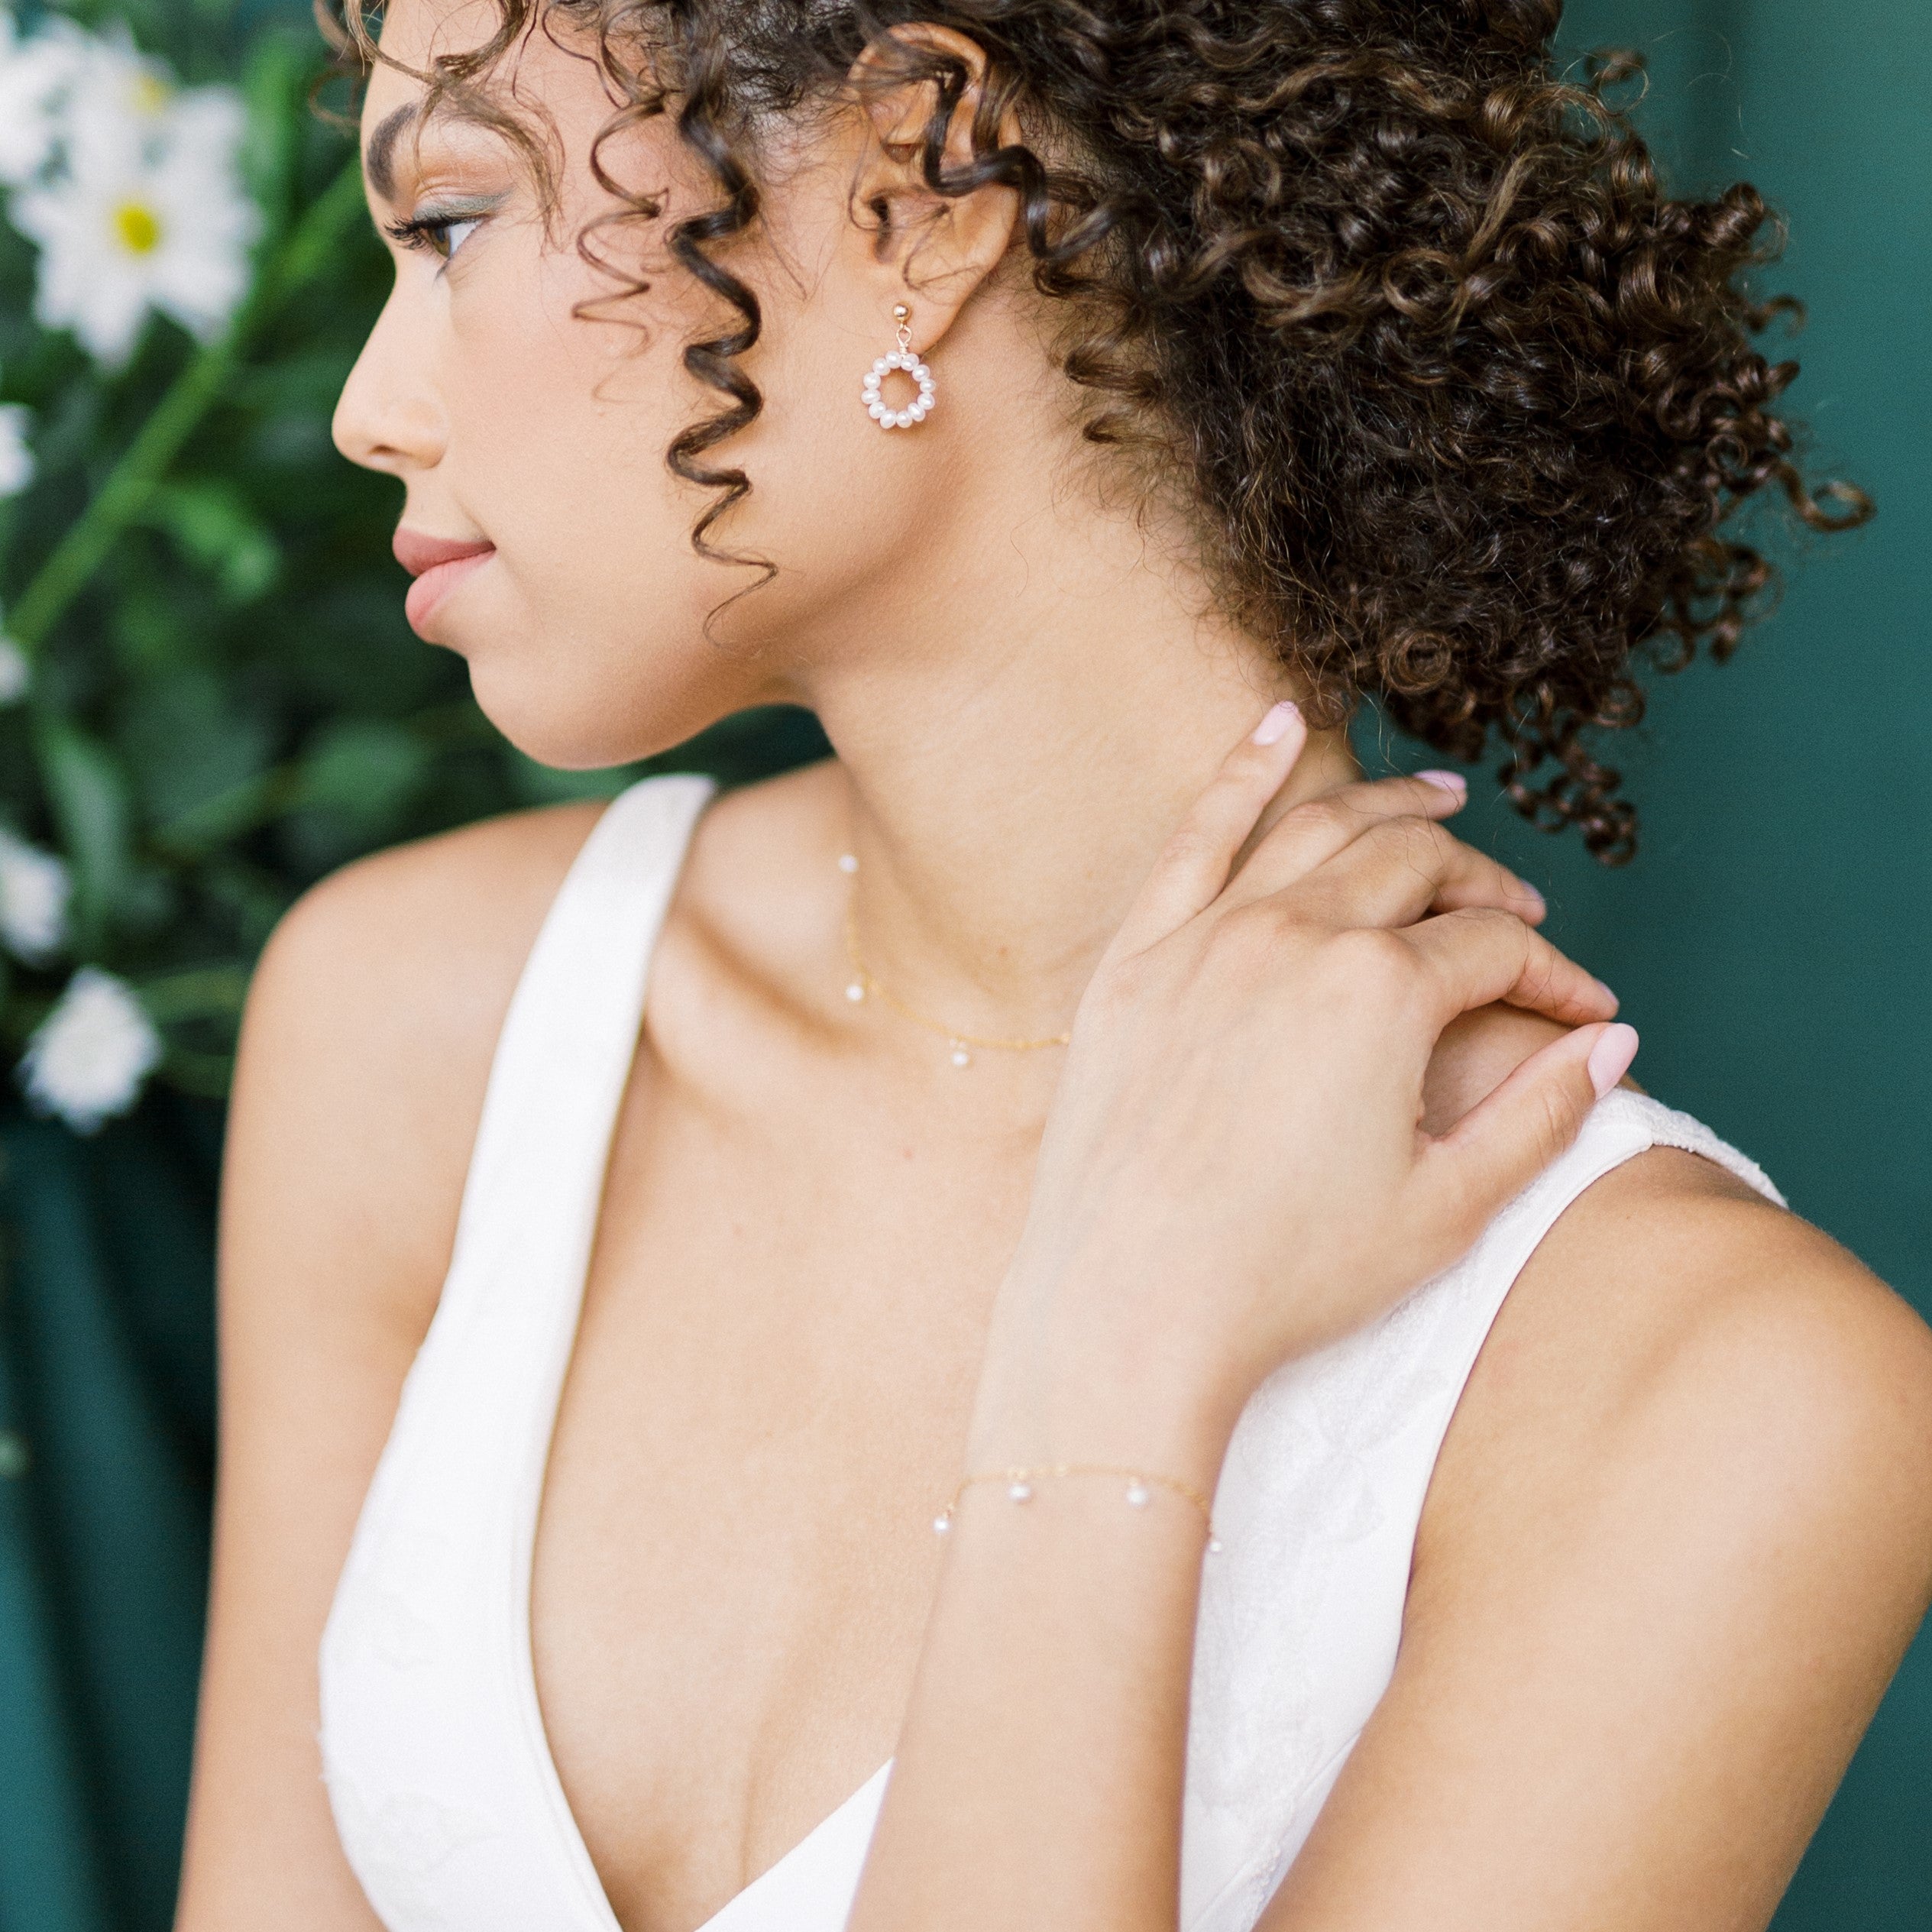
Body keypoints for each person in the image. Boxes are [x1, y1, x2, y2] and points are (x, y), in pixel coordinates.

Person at [173, 2, 1932, 1928]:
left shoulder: (1707, 1398)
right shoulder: (418, 1033)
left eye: (451, 222)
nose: (370, 402)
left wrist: (1110, 1379)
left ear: (920, 181)